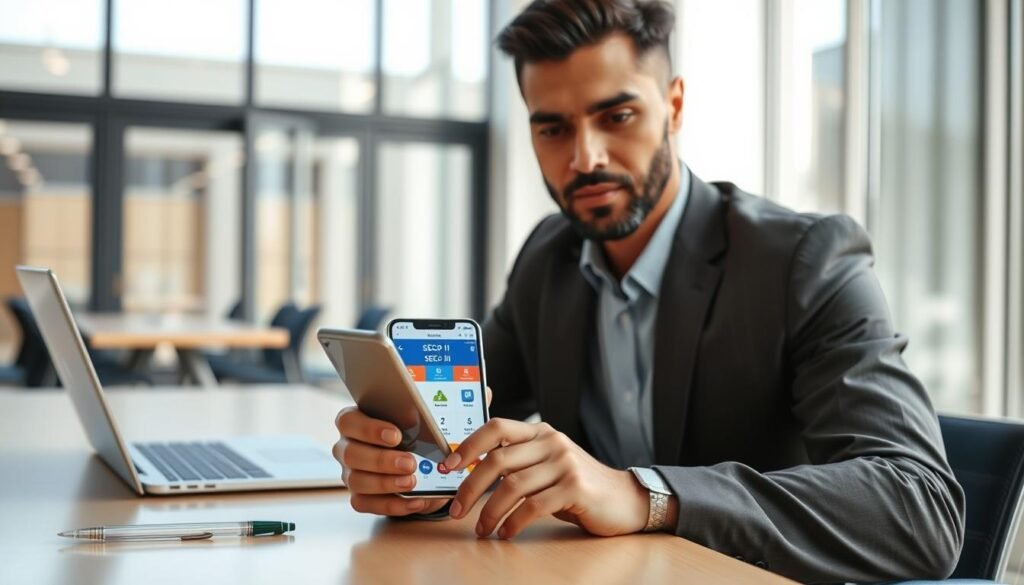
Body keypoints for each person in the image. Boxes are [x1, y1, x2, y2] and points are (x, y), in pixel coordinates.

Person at [333, 0, 965, 581]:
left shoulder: (804, 261)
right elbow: (459, 441)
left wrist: (644, 495)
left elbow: (921, 507)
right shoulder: (547, 261)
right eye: (552, 129)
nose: (585, 157)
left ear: (676, 105)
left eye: (618, 116)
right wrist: (403, 475)